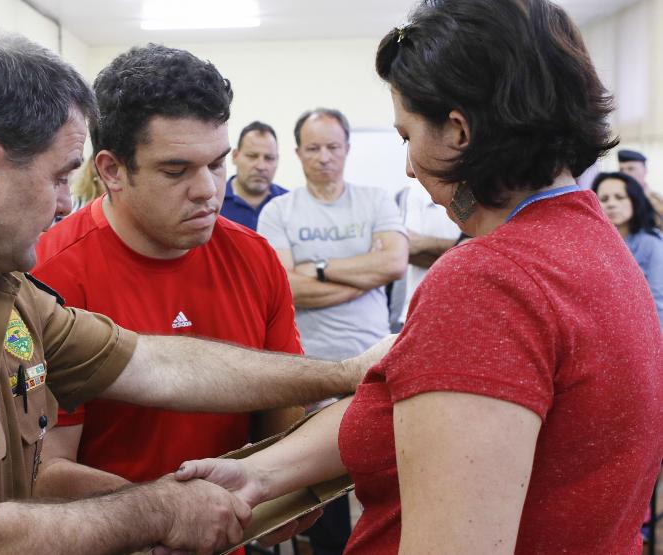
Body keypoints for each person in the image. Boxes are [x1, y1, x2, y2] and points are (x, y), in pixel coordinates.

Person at [0, 34, 380, 555]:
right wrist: (159, 509)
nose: (63, 203)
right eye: (57, 177)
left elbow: (151, 363)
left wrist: (348, 371)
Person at [177, 1, 663, 554]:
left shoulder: (489, 279)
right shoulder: (593, 243)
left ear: (458, 132)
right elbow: (418, 409)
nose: (408, 166)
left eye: (408, 136)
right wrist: (260, 474)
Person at [30, 45, 304, 509]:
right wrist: (172, 513)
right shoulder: (50, 276)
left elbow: (284, 408)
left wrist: (288, 486)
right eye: (177, 171)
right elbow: (44, 472)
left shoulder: (253, 257)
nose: (208, 191)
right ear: (113, 171)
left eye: (217, 164)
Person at [257, 108, 408, 554]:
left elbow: (394, 263)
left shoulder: (376, 200)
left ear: (347, 149)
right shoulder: (279, 210)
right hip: (308, 372)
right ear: (299, 152)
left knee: (380, 482)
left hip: (375, 364)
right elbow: (284, 287)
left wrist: (318, 269)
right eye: (314, 148)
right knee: (322, 494)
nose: (324, 157)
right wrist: (362, 275)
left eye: (333, 147)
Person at [592, 171, 663, 328]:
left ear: (635, 200)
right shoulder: (591, 244)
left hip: (645, 334)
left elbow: (659, 301)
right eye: (603, 199)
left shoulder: (651, 243)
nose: (611, 204)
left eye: (619, 197)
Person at [388, 182, 460, 331]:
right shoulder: (414, 192)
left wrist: (425, 243)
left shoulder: (485, 187)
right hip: (416, 317)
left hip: (464, 317)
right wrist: (466, 249)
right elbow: (407, 252)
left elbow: (493, 251)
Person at [221, 121, 288, 230]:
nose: (261, 166)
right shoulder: (213, 202)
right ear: (235, 156)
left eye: (269, 158)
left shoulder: (289, 205)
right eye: (252, 156)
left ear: (277, 160)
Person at [618, 149, 663, 222]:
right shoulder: (612, 200)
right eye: (621, 169)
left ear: (645, 171)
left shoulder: (658, 202)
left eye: (631, 169)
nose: (624, 173)